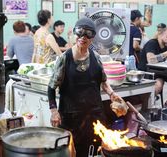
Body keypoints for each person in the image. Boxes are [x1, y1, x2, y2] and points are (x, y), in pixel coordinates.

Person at [47, 17, 125, 157]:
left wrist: (112, 94)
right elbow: (51, 87)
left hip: (94, 115)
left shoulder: (96, 57)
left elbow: (103, 81)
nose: (83, 37)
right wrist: (53, 111)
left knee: (94, 150)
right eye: (80, 32)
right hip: (71, 117)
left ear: (93, 37)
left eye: (88, 34)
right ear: (74, 34)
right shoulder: (65, 58)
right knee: (71, 152)